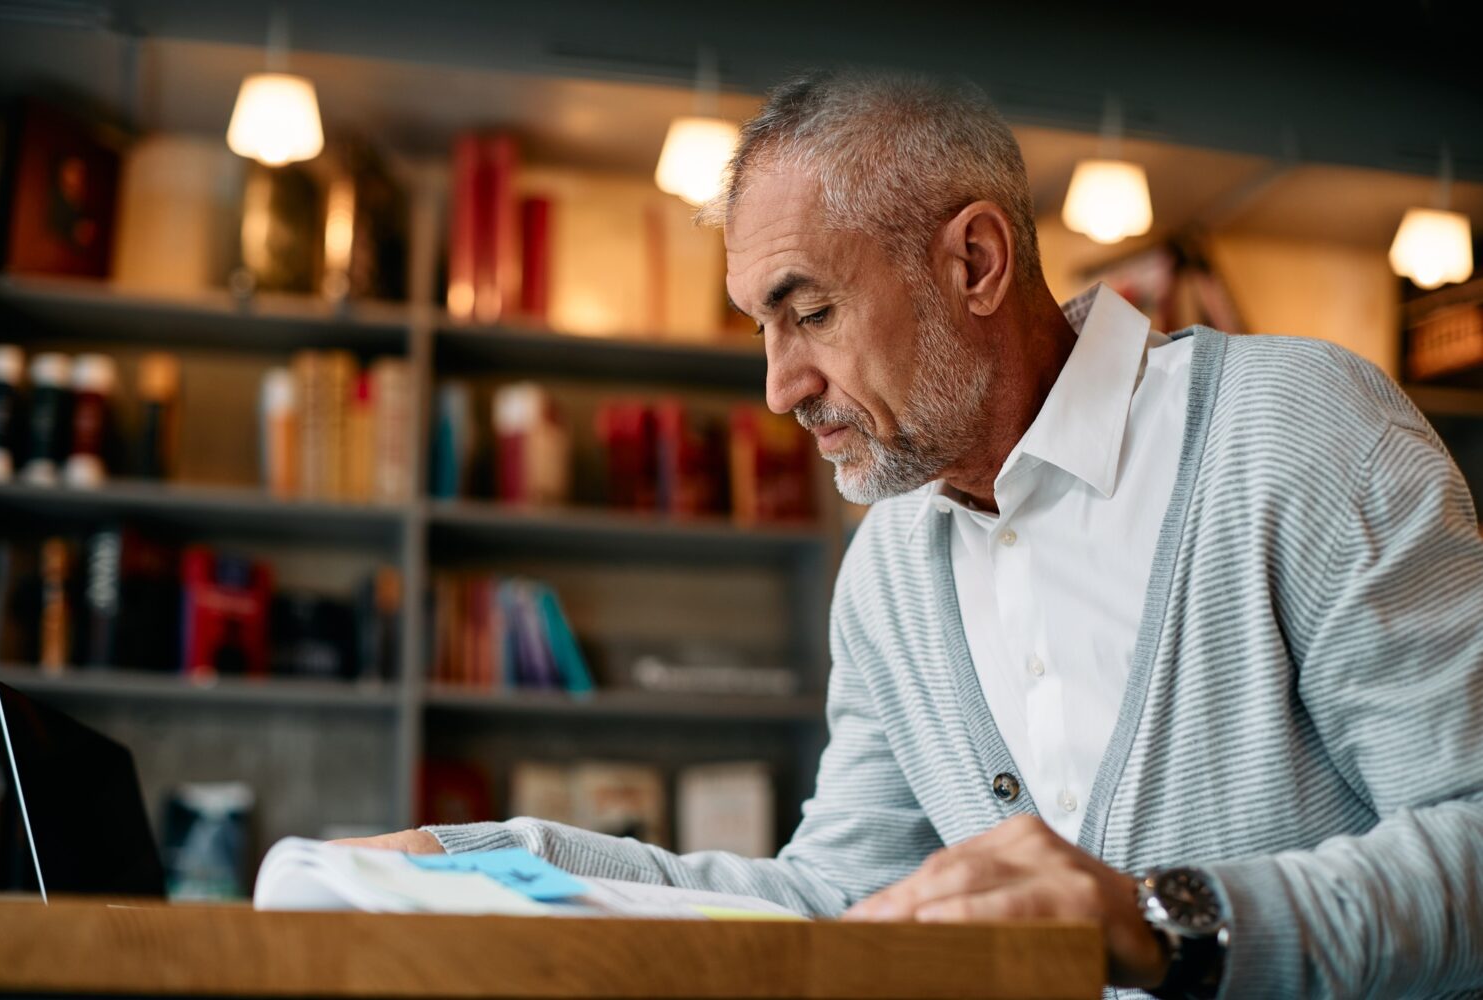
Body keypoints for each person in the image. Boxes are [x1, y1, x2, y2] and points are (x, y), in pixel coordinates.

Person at [339, 71, 1483, 997]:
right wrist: (492, 862)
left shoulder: (1297, 430)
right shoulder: (889, 563)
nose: (781, 388)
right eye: (761, 328)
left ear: (974, 262)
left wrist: (1161, 920)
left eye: (813, 312)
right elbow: (842, 897)